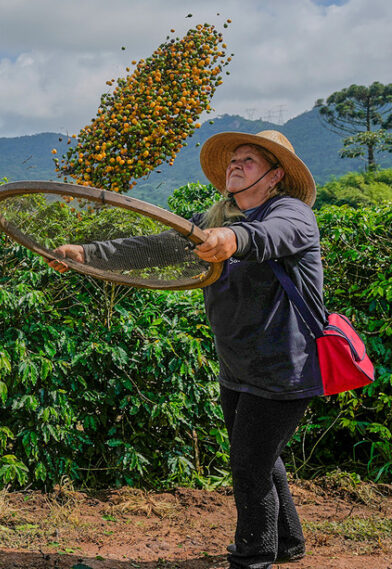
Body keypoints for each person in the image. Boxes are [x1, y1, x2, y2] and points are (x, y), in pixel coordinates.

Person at [50, 130, 322, 569]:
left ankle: (253, 559)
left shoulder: (290, 212)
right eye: (233, 159)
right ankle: (288, 542)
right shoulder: (217, 215)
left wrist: (233, 240)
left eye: (248, 160)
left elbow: (274, 235)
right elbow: (156, 246)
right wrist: (88, 252)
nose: (236, 165)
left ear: (274, 177)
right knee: (258, 455)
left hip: (284, 368)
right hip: (237, 365)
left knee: (249, 468)